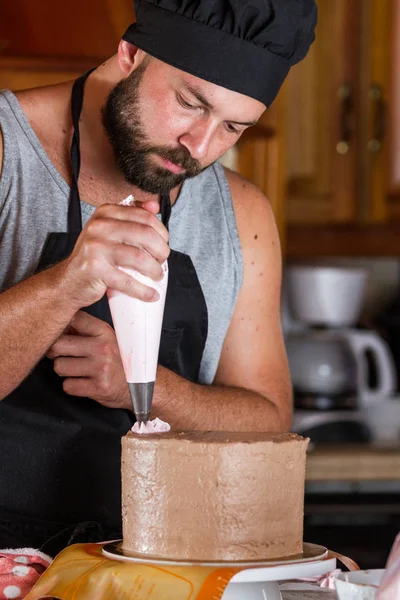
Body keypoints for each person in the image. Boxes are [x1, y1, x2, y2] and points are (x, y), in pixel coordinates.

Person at [0, 0, 317, 553]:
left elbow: (268, 424)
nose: (200, 148)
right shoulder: (8, 155)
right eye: (191, 103)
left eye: (233, 128)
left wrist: (143, 386)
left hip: (160, 566)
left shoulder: (241, 214)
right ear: (131, 52)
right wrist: (66, 284)